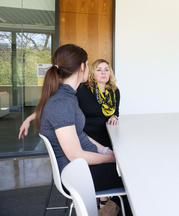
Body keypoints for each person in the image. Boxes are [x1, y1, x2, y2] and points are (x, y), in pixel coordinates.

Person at [24, 44, 128, 210]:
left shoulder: (68, 97)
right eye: (88, 65)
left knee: (129, 171)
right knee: (133, 177)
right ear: (83, 67)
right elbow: (75, 155)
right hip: (75, 175)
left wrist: (106, 152)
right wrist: (112, 159)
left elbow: (80, 135)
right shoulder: (62, 103)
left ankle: (111, 209)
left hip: (80, 167)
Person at [19, 59, 120, 149]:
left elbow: (116, 111)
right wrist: (29, 119)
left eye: (106, 70)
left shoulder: (114, 91)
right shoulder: (83, 89)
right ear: (92, 73)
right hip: (87, 137)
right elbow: (53, 105)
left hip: (109, 135)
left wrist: (114, 116)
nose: (103, 73)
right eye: (99, 70)